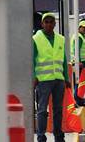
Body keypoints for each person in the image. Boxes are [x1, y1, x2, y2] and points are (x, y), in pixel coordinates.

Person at [33, 12, 71, 142]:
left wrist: (66, 78)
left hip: (58, 80)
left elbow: (64, 60)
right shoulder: (36, 39)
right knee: (42, 110)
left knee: (58, 110)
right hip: (43, 81)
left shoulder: (60, 39)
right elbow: (32, 60)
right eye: (46, 22)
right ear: (42, 24)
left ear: (55, 24)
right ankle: (41, 137)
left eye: (51, 22)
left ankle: (58, 136)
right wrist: (34, 77)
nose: (49, 24)